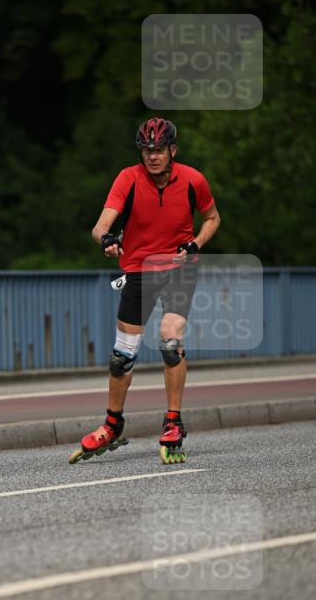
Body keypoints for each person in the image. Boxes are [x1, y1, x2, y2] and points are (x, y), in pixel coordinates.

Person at [69, 116, 221, 464]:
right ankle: (112, 424)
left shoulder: (193, 180)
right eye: (146, 150)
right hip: (139, 270)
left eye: (158, 150)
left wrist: (196, 243)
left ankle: (173, 422)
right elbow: (100, 226)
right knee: (122, 357)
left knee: (169, 342)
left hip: (180, 268)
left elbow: (213, 218)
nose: (152, 157)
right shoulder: (129, 178)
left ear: (172, 150)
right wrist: (107, 239)